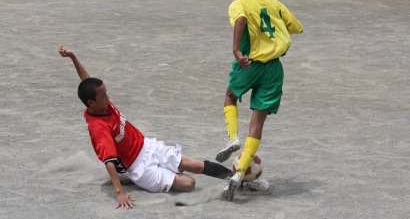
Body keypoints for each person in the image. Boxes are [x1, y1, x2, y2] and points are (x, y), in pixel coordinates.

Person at [58, 46, 267, 208]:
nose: (108, 97)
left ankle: (238, 179)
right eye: (103, 96)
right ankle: (134, 180)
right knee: (189, 184)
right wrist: (119, 192)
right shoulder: (98, 128)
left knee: (194, 164)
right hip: (140, 168)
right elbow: (109, 162)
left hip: (148, 146)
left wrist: (73, 57)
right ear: (91, 103)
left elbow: (87, 81)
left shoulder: (102, 104)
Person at [217, 0, 304, 201]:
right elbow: (296, 27)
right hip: (273, 69)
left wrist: (236, 49)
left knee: (230, 97)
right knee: (257, 124)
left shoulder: (239, 4)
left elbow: (241, 20)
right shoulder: (273, 2)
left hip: (249, 63)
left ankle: (233, 138)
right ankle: (238, 176)